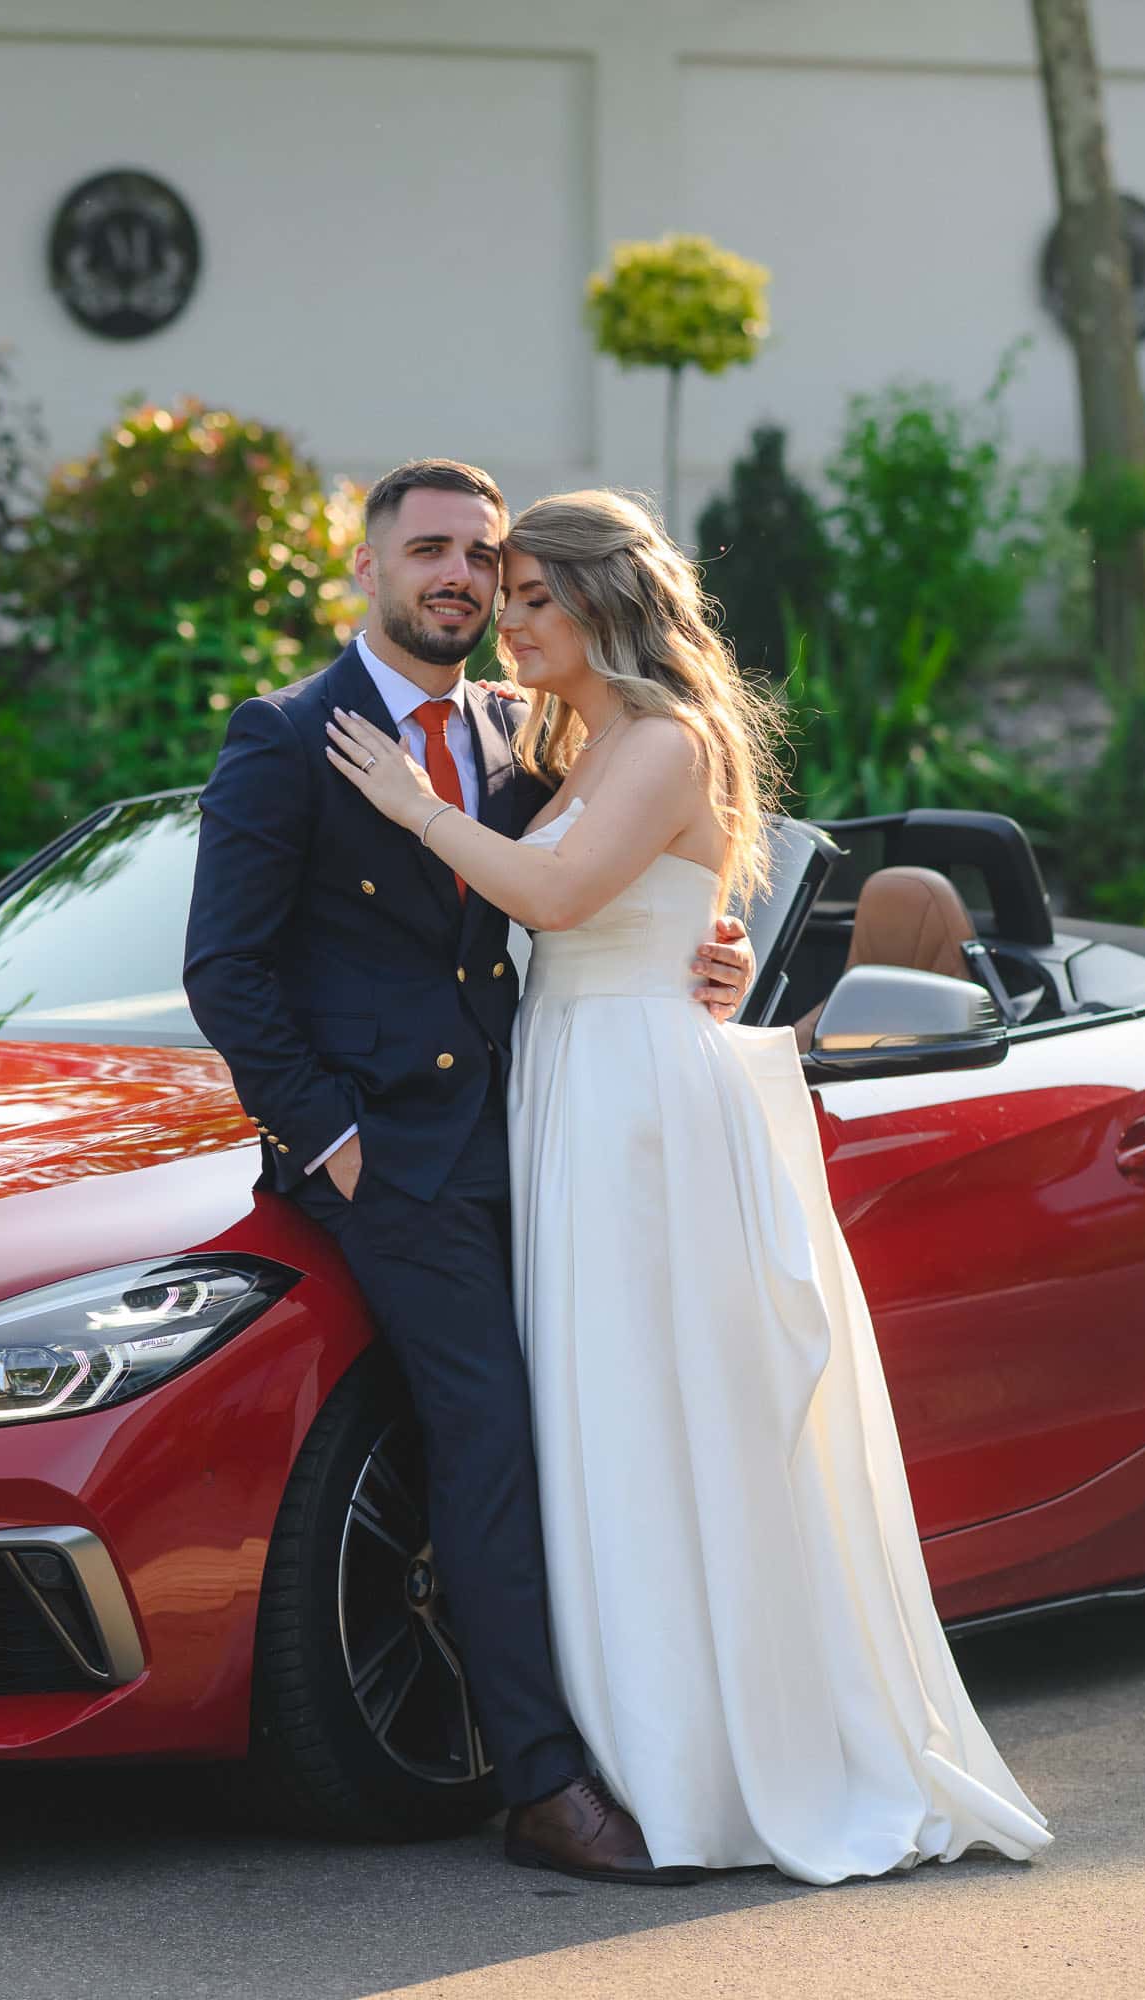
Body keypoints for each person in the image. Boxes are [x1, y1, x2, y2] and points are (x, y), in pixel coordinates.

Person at [318, 487, 1051, 1884]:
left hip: (638, 1105)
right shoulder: (573, 745)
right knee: (603, 1423)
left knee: (659, 1419)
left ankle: (707, 1765)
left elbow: (551, 899)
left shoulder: (665, 740)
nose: (511, 621)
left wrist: (413, 807)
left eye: (536, 597)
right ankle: (637, 1740)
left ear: (607, 601)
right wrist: (706, 945)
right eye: (507, 597)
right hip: (573, 1088)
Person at [182, 460, 758, 1885]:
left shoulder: (521, 729)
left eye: (484, 558)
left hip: (541, 1130)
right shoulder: (286, 735)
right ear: (367, 567)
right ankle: (544, 1784)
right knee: (493, 1435)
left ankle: (635, 1728)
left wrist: (713, 947)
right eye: (430, 549)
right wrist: (331, 1139)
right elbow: (226, 969)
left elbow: (601, 881)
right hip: (391, 1163)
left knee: (586, 1422)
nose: (462, 577)